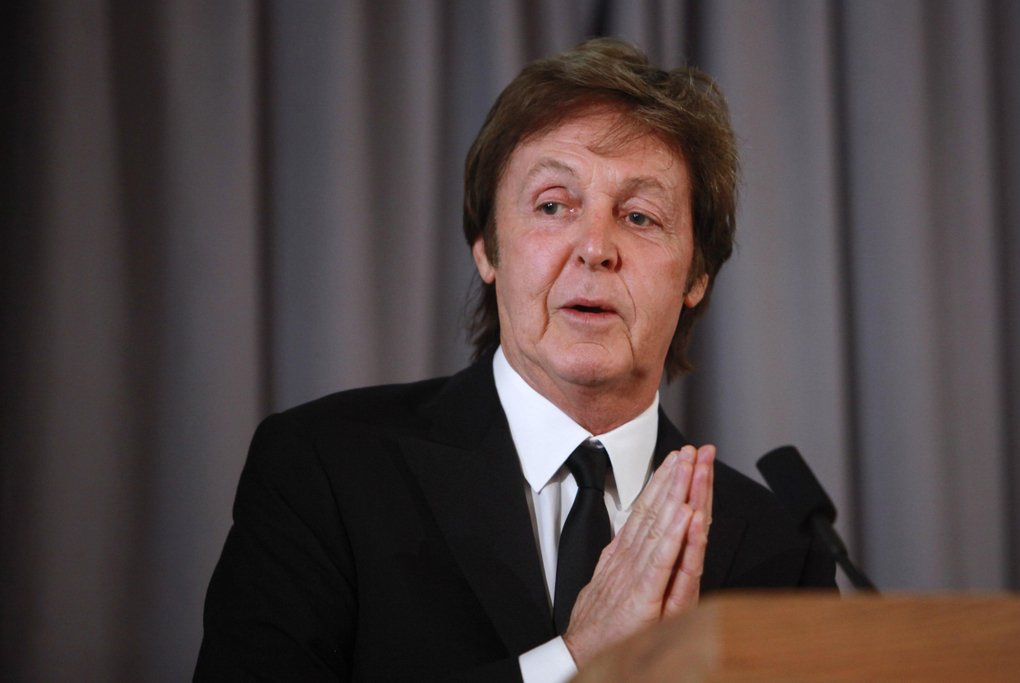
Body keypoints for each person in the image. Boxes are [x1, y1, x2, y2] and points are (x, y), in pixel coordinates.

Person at [195, 37, 835, 682]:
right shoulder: (326, 466)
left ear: (697, 275)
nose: (595, 248)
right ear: (487, 248)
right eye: (553, 205)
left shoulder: (779, 547)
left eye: (640, 217)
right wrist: (573, 660)